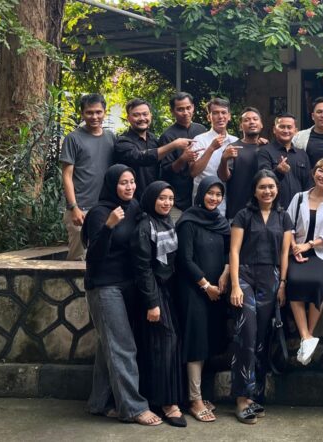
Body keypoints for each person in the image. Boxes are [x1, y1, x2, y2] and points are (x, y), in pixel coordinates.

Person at [81, 164, 162, 426]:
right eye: (123, 183)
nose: (129, 187)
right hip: (104, 286)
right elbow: (93, 256)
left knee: (109, 346)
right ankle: (133, 408)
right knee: (123, 346)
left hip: (127, 284)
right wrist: (108, 226)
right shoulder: (99, 212)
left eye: (132, 182)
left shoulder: (134, 207)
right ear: (112, 185)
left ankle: (100, 402)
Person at [229, 170, 293, 424]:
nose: (267, 191)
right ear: (254, 191)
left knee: (262, 339)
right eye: (262, 187)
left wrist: (283, 284)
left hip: (271, 278)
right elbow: (234, 251)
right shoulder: (243, 215)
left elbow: (285, 254)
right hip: (245, 276)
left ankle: (255, 395)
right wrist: (235, 285)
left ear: (277, 189)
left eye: (271, 187)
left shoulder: (283, 217)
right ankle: (241, 398)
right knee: (246, 333)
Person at [175, 176, 231, 423]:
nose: (214, 198)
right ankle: (195, 400)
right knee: (195, 343)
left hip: (216, 291)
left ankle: (198, 395)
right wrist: (205, 285)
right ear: (201, 194)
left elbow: (229, 252)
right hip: (193, 291)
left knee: (209, 341)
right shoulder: (188, 221)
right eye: (210, 193)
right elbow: (184, 259)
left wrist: (225, 274)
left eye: (219, 194)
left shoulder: (221, 222)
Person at [131, 181, 186, 427]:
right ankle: (167, 403)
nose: (167, 203)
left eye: (170, 198)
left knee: (168, 344)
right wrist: (152, 303)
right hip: (152, 294)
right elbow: (142, 268)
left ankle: (167, 399)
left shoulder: (167, 222)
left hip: (167, 291)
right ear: (152, 198)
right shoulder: (145, 226)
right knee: (165, 343)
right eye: (162, 198)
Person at [286, 158, 323, 365]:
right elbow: (288, 226)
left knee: (318, 281)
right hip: (297, 251)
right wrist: (294, 246)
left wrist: (309, 245)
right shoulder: (299, 197)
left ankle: (308, 335)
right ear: (313, 173)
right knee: (293, 279)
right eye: (321, 170)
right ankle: (307, 337)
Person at [61, 93, 115, 260]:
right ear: (82, 114)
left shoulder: (111, 137)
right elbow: (67, 175)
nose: (94, 117)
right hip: (81, 208)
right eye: (89, 112)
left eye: (98, 112)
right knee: (78, 259)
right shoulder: (73, 138)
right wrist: (74, 207)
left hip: (105, 208)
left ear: (105, 112)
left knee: (105, 257)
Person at [114, 98, 194, 199]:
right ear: (128, 118)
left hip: (155, 199)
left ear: (150, 115)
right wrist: (174, 145)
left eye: (145, 114)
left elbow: (164, 169)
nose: (142, 118)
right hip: (132, 199)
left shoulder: (153, 139)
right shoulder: (122, 141)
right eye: (136, 115)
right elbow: (140, 158)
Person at [159, 92, 207, 222]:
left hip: (200, 196)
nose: (185, 112)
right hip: (177, 201)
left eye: (188, 108)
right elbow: (166, 171)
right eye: (180, 109)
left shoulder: (201, 130)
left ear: (193, 107)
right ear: (172, 111)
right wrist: (183, 159)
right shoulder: (167, 136)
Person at [189, 98, 239, 216]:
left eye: (223, 112)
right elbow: (193, 172)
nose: (220, 116)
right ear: (209, 117)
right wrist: (211, 148)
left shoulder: (236, 141)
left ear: (229, 116)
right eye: (215, 113)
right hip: (203, 202)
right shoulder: (199, 140)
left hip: (229, 202)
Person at [219, 107, 264, 221]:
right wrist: (224, 159)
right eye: (247, 120)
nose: (252, 122)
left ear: (261, 124)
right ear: (240, 126)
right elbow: (224, 177)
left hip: (264, 212)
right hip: (237, 212)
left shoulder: (267, 148)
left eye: (255, 119)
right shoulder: (233, 148)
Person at [258, 112, 312, 207]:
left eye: (289, 127)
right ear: (274, 129)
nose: (286, 130)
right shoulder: (265, 151)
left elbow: (308, 184)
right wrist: (278, 171)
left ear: (295, 131)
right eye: (282, 127)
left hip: (298, 208)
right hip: (273, 208)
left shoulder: (302, 154)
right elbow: (263, 180)